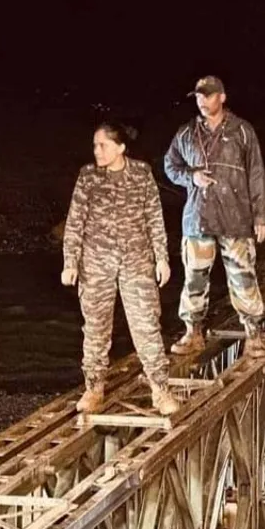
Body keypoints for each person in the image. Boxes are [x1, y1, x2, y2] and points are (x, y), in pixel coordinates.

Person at [62, 123, 179, 415]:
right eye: (94, 146)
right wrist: (70, 262)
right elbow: (75, 221)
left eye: (102, 145)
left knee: (146, 325)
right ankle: (94, 388)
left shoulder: (141, 174)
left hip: (136, 262)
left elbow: (154, 217)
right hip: (96, 264)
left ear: (121, 147)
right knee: (96, 328)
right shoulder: (88, 177)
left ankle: (160, 389)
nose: (96, 151)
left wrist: (161, 258)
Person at [163, 75, 265, 358]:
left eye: (208, 95)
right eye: (198, 96)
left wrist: (261, 217)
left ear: (222, 97)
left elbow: (256, 174)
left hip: (235, 217)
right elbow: (170, 165)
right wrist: (191, 177)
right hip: (198, 219)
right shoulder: (186, 134)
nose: (202, 101)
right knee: (194, 278)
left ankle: (253, 334)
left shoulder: (242, 132)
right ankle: (192, 333)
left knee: (243, 276)